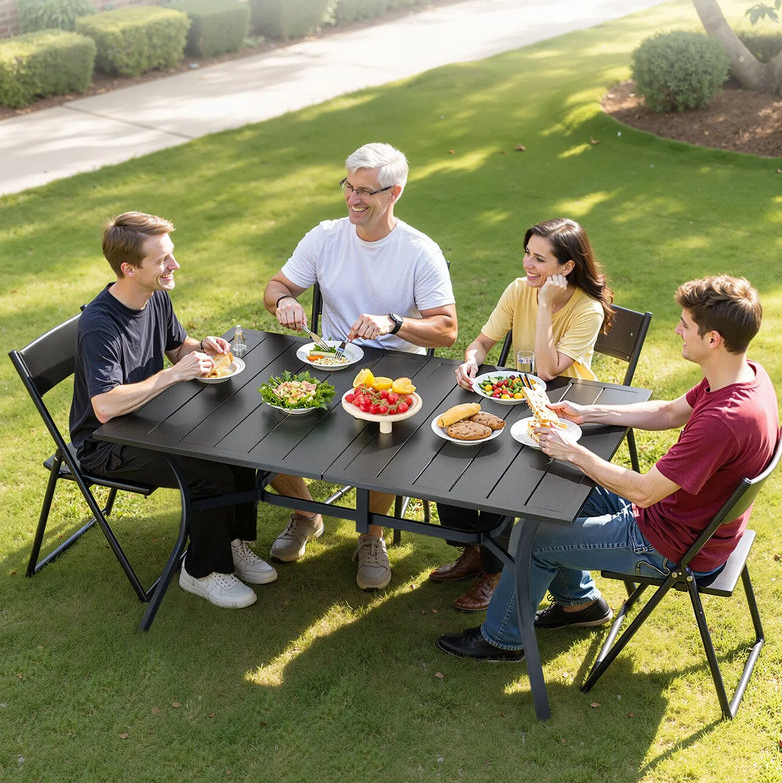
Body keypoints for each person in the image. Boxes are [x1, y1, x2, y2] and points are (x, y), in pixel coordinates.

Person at [435, 275, 780, 662]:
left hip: (669, 543)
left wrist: (573, 451)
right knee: (556, 496)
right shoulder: (745, 375)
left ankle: (501, 640)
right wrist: (588, 412)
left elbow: (644, 492)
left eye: (685, 324)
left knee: (530, 538)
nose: (677, 330)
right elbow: (668, 411)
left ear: (713, 339)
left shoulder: (723, 421)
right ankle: (579, 605)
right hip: (690, 521)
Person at [263, 142, 457, 591]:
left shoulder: (419, 251)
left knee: (382, 440)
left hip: (394, 369)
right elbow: (275, 287)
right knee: (264, 425)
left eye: (366, 191)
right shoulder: (325, 236)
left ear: (395, 193)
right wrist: (286, 300)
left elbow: (446, 330)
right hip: (328, 362)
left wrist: (393, 322)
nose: (353, 198)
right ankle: (306, 513)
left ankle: (372, 536)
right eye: (349, 186)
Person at [70, 211, 278, 610]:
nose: (174, 265)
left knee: (236, 449)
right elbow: (105, 405)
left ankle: (229, 545)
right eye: (163, 259)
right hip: (104, 443)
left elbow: (177, 346)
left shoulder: (155, 296)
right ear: (129, 269)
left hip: (149, 419)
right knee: (208, 472)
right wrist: (172, 376)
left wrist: (202, 349)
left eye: (172, 254)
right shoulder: (100, 324)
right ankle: (200, 571)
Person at [431, 218, 613, 613]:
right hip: (514, 398)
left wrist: (545, 306)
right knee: (451, 450)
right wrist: (470, 363)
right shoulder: (518, 289)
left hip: (565, 408)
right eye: (527, 254)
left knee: (504, 476)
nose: (528, 265)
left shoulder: (588, 309)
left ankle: (497, 570)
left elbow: (549, 371)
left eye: (540, 259)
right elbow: (481, 342)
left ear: (566, 268)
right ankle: (475, 548)